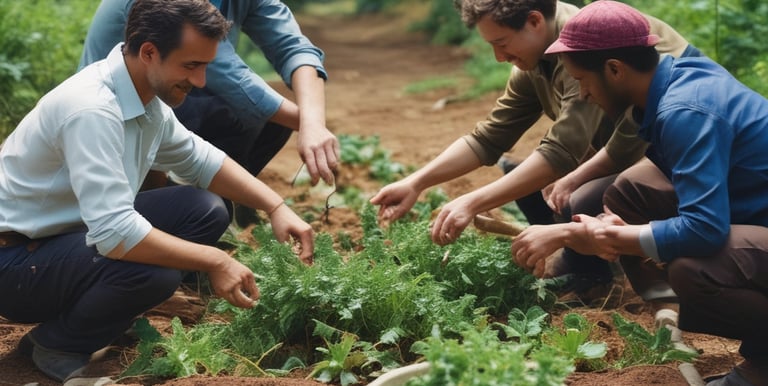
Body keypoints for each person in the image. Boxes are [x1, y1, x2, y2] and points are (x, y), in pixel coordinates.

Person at [0, 0, 314, 382]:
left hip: (63, 238)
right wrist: (216, 261)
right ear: (149, 52)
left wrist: (276, 206)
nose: (200, 82)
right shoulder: (92, 109)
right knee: (153, 274)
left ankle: (100, 314)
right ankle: (57, 342)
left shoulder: (142, 94)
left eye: (205, 66)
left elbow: (201, 160)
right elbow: (115, 233)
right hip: (15, 263)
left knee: (203, 209)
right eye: (190, 66)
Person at [370, 0, 699, 302]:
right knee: (530, 182)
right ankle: (583, 258)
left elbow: (563, 151)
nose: (499, 57)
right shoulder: (534, 61)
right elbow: (488, 138)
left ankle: (605, 272)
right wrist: (416, 182)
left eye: (501, 43)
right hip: (627, 149)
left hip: (678, 155)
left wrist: (472, 202)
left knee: (580, 196)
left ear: (534, 21)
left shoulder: (584, 51)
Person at [519, 1, 768, 384]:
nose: (583, 94)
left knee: (696, 269)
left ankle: (760, 364)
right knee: (631, 193)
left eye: (583, 80)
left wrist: (587, 234)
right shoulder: (678, 77)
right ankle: (665, 300)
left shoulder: (685, 109)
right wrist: (631, 233)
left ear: (615, 69)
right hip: (755, 212)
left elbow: (705, 230)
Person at [79, 0, 340, 226]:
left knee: (264, 119)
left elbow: (293, 47)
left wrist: (313, 123)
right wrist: (307, 123)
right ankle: (161, 206)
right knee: (202, 208)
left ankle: (221, 200)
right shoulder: (179, 12)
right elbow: (229, 77)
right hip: (118, 117)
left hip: (165, 98)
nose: (200, 78)